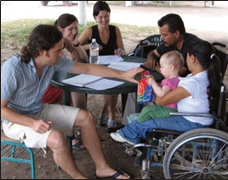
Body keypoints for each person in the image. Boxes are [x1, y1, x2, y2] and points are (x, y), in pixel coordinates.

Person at [1, 24, 143, 179]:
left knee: (86, 117)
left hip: (36, 110)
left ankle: (102, 168)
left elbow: (87, 69)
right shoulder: (14, 68)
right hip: (14, 121)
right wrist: (32, 123)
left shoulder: (52, 61)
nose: (62, 54)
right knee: (56, 139)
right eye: (58, 50)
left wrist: (122, 74)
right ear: (42, 52)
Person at [111, 39, 221, 145]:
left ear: (192, 58)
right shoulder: (202, 76)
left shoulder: (193, 83)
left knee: (152, 122)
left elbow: (161, 101)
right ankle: (130, 130)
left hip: (193, 123)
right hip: (196, 118)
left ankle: (127, 134)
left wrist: (155, 86)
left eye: (187, 56)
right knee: (151, 114)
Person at [122, 13, 201, 125]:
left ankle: (137, 125)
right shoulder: (170, 42)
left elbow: (179, 71)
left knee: (144, 90)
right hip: (171, 85)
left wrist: (155, 67)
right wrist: (151, 58)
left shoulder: (191, 46)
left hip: (181, 93)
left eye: (165, 35)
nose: (161, 38)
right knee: (137, 88)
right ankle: (128, 124)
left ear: (177, 33)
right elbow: (153, 53)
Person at [42, 13, 88, 150]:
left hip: (60, 82)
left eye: (76, 28)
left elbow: (84, 59)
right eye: (71, 29)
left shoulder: (66, 42)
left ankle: (80, 127)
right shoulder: (54, 45)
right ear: (60, 29)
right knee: (74, 90)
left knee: (76, 88)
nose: (75, 32)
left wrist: (76, 44)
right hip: (48, 87)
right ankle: (75, 131)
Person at [78, 1, 126, 128]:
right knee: (111, 86)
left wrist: (120, 51)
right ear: (95, 18)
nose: (104, 20)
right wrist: (90, 46)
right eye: (101, 17)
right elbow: (75, 47)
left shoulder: (115, 30)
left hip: (113, 65)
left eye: (107, 16)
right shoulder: (90, 31)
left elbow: (122, 50)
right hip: (94, 66)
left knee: (116, 84)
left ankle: (109, 114)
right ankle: (106, 112)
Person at [133, 51, 184, 123]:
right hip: (174, 108)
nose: (160, 69)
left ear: (171, 67)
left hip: (167, 109)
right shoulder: (177, 80)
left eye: (162, 67)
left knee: (146, 110)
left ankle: (136, 124)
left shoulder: (168, 82)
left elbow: (161, 94)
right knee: (148, 109)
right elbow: (167, 89)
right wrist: (158, 85)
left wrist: (153, 83)